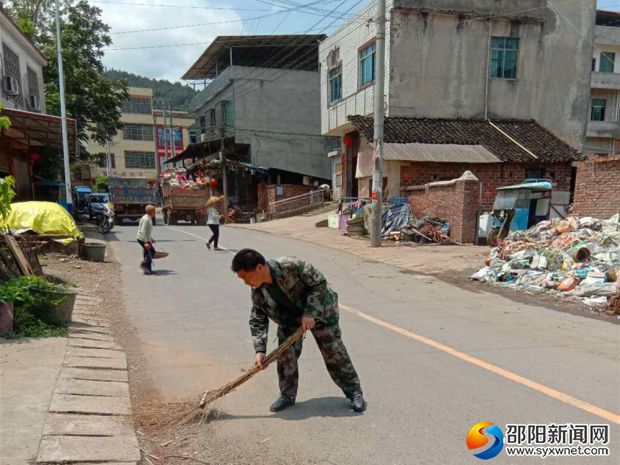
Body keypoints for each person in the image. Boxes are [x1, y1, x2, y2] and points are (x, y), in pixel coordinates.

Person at [232, 249, 366, 413]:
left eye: (247, 278)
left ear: (260, 267)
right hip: (290, 318)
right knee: (285, 354)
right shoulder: (258, 290)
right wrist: (259, 351)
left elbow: (319, 283)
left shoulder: (292, 266)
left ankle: (354, 392)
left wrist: (310, 313)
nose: (246, 283)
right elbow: (258, 319)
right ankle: (287, 395)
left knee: (334, 351)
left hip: (321, 310)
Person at [137, 205, 156, 275]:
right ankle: (144, 264)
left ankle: (148, 270)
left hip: (145, 238)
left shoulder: (148, 217)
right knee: (152, 252)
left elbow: (147, 231)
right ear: (150, 211)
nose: (155, 212)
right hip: (142, 238)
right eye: (154, 211)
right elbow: (143, 231)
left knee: (147, 253)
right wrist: (145, 242)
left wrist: (151, 239)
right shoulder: (146, 219)